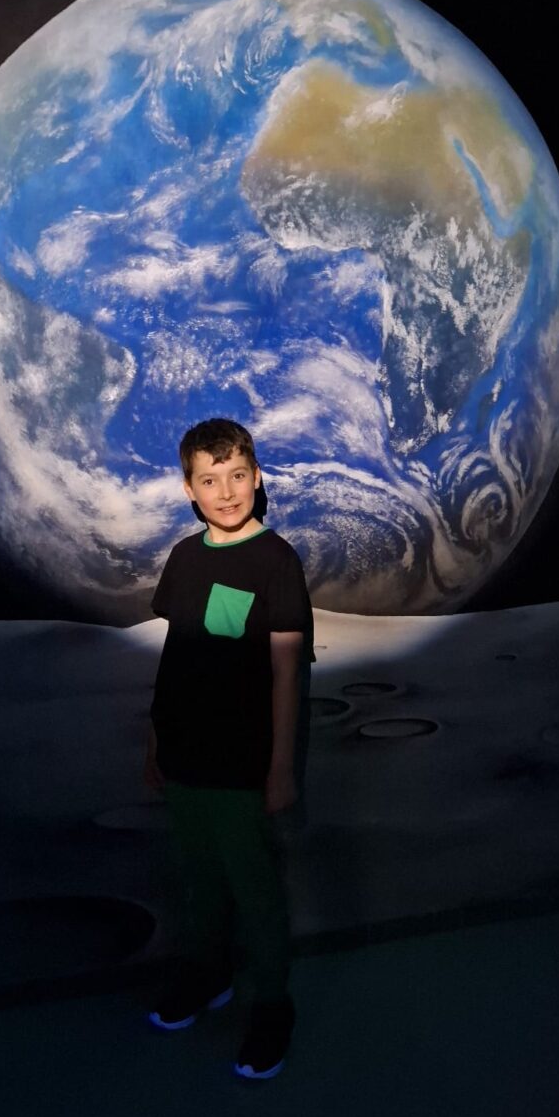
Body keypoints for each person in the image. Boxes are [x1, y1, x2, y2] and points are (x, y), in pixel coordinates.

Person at [144, 418, 313, 1080]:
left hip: (242, 763)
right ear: (188, 489)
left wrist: (280, 767)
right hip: (184, 756)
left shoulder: (276, 563)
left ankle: (272, 1004)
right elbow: (175, 659)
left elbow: (286, 673)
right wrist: (155, 740)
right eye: (209, 480)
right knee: (201, 879)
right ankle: (208, 975)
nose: (226, 492)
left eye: (237, 475)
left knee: (254, 887)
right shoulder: (185, 558)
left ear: (257, 477)